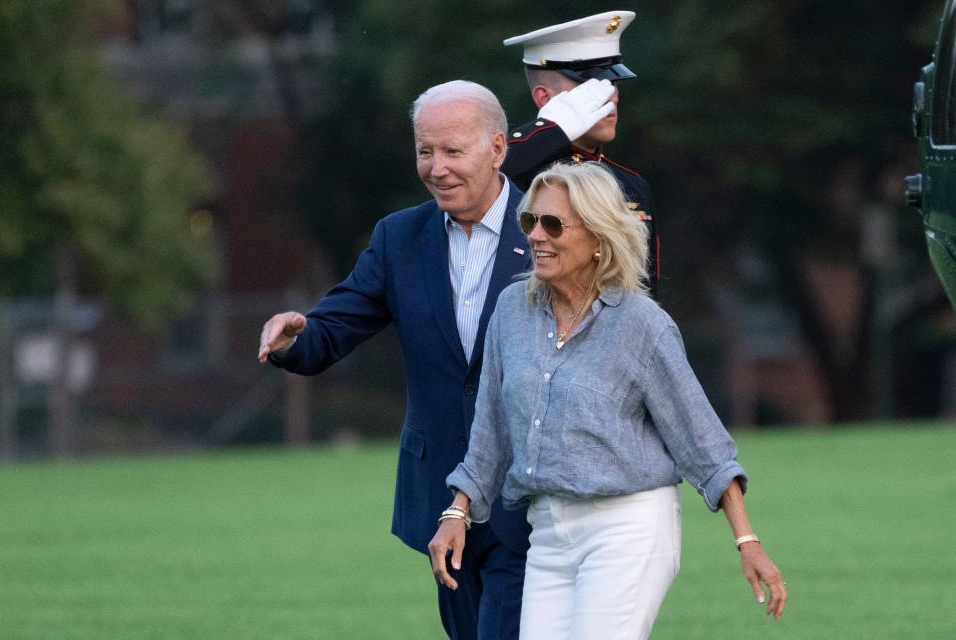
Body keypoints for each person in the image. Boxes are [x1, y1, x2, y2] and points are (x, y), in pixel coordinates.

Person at [428, 162, 787, 640]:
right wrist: (457, 512)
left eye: (553, 224)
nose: (536, 235)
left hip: (628, 530)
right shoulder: (511, 310)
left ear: (598, 237)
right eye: (530, 221)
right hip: (549, 533)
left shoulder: (643, 325)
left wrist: (748, 541)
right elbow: (490, 433)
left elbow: (703, 446)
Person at [257, 80, 532, 640]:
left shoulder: (549, 227)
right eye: (424, 151)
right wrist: (295, 338)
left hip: (529, 494)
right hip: (440, 496)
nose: (437, 168)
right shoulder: (400, 238)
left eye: (453, 151)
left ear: (498, 149)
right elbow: (336, 324)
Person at [501, 11, 662, 297]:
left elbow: (644, 294)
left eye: (612, 83)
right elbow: (483, 174)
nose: (609, 95)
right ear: (544, 98)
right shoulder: (521, 170)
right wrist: (551, 129)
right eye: (591, 85)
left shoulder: (631, 185)